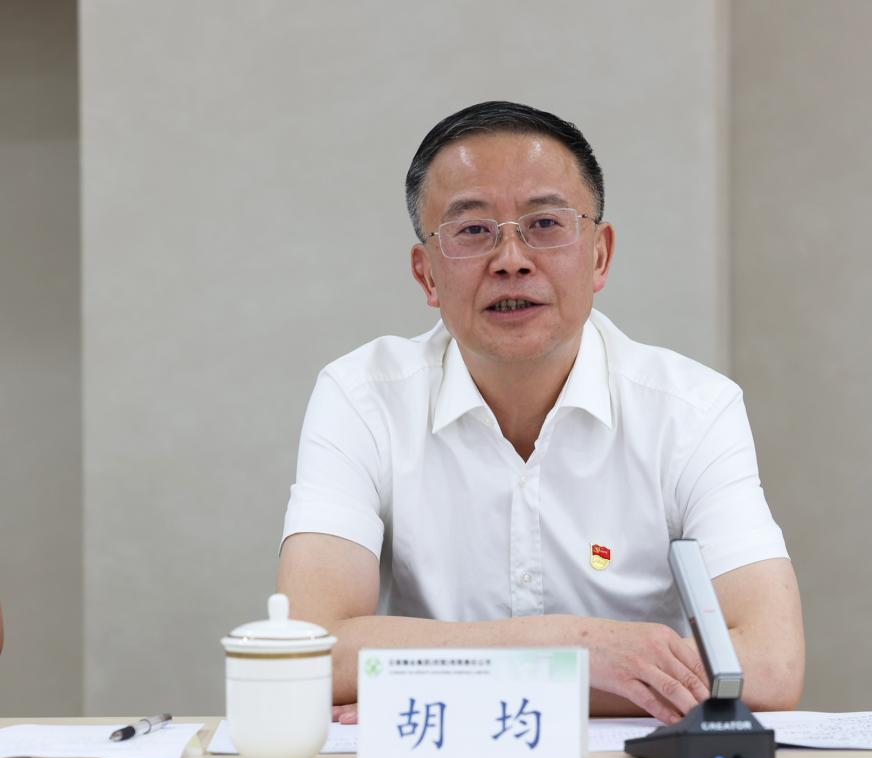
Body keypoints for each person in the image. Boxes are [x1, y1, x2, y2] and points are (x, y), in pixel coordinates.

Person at [277, 101, 804, 724]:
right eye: (473, 231)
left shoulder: (694, 411)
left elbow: (770, 663)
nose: (511, 259)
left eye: (546, 224)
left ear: (600, 256)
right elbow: (306, 652)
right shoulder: (362, 398)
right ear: (427, 275)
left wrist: (446, 686)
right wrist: (575, 648)